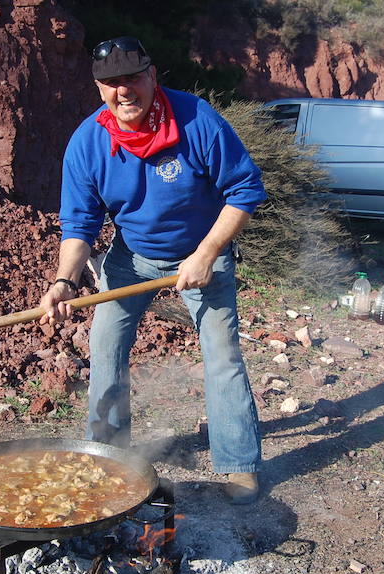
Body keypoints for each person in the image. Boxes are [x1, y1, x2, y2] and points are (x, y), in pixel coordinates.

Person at [38, 36, 265, 504]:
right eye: (110, 83)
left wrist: (205, 254)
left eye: (132, 79)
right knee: (105, 346)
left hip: (203, 250)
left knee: (221, 355)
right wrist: (64, 280)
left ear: (152, 75)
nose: (124, 91)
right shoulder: (88, 141)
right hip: (132, 254)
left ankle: (238, 464)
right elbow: (80, 223)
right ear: (99, 88)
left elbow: (244, 190)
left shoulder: (197, 119)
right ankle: (107, 453)